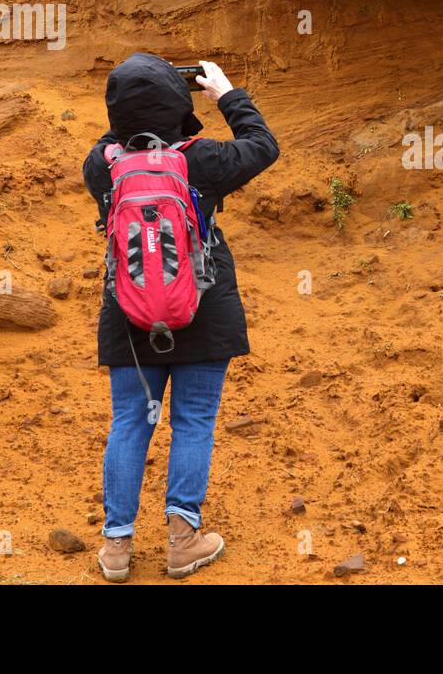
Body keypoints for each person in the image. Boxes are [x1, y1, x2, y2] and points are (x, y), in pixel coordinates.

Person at [82, 53, 278, 581]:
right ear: (178, 102)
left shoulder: (102, 165)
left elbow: (118, 140)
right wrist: (226, 95)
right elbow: (263, 146)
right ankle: (182, 539)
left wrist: (133, 106)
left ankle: (117, 548)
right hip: (203, 310)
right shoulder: (203, 160)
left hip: (128, 313)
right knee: (193, 421)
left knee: (129, 422)